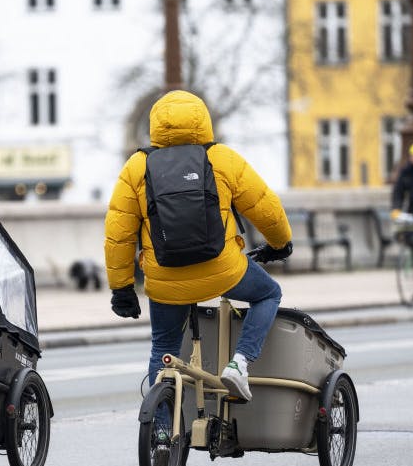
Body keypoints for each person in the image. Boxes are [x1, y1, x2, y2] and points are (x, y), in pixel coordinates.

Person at [103, 90, 292, 401]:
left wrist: (121, 288)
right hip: (223, 271)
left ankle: (161, 436)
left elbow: (118, 232)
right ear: (202, 120)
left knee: (163, 347)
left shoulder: (136, 166)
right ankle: (240, 362)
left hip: (166, 280)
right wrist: (280, 244)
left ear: (156, 124)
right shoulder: (222, 158)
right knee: (269, 293)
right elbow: (264, 206)